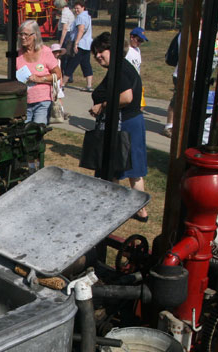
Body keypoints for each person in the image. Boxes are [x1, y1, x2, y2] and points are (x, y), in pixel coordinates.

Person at [88, 32, 148, 221]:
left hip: (126, 123)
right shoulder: (121, 67)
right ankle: (139, 210)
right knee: (130, 169)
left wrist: (102, 105)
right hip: (129, 122)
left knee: (118, 167)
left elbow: (126, 97)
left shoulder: (120, 69)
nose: (98, 56)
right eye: (95, 53)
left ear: (112, 50)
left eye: (101, 51)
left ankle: (115, 207)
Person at [16, 20, 62, 125]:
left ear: (35, 35)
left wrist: (40, 79)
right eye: (21, 34)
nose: (23, 37)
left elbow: (58, 75)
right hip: (24, 101)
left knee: (36, 131)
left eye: (26, 35)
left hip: (42, 101)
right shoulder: (18, 54)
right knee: (23, 133)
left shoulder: (45, 52)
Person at [70, 0, 93, 91]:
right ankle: (89, 85)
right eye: (75, 8)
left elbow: (81, 30)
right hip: (87, 44)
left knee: (72, 64)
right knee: (86, 64)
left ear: (83, 7)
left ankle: (62, 83)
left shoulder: (80, 17)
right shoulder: (87, 16)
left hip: (80, 44)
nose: (76, 10)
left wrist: (76, 43)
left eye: (78, 8)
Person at [57, 0, 75, 76]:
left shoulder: (64, 13)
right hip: (69, 34)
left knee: (64, 56)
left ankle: (64, 74)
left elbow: (65, 28)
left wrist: (60, 43)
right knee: (68, 56)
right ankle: (68, 75)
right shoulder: (69, 11)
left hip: (65, 35)